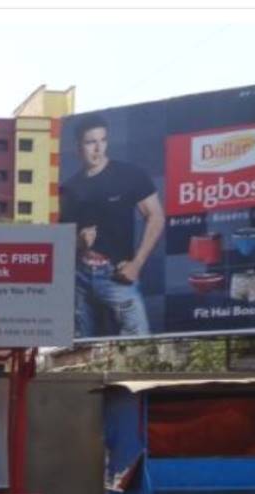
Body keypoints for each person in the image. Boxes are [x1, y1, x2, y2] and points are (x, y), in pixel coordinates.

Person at [60, 113, 164, 337]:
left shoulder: (129, 174)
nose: (98, 149)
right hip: (79, 278)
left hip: (115, 274)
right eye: (90, 142)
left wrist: (137, 264)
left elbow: (156, 215)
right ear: (78, 146)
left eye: (102, 140)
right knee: (80, 346)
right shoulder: (68, 188)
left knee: (140, 341)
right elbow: (59, 243)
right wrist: (77, 242)